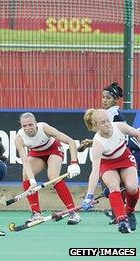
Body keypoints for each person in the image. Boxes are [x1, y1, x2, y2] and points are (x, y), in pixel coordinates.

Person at [78, 82, 140, 224]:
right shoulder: (113, 115)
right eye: (103, 97)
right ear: (96, 126)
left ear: (115, 99)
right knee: (113, 188)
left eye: (107, 97)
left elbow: (118, 137)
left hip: (124, 154)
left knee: (127, 188)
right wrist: (89, 194)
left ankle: (126, 212)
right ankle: (121, 217)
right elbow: (104, 140)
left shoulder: (112, 117)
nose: (104, 100)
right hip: (110, 159)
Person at [15, 112, 81, 224]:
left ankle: (73, 212)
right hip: (36, 153)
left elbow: (71, 142)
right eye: (24, 126)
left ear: (36, 123)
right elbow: (25, 162)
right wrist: (32, 182)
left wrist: (74, 163)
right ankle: (36, 213)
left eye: (30, 125)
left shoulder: (44, 128)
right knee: (26, 176)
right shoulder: (19, 138)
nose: (28, 128)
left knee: (53, 176)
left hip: (53, 150)